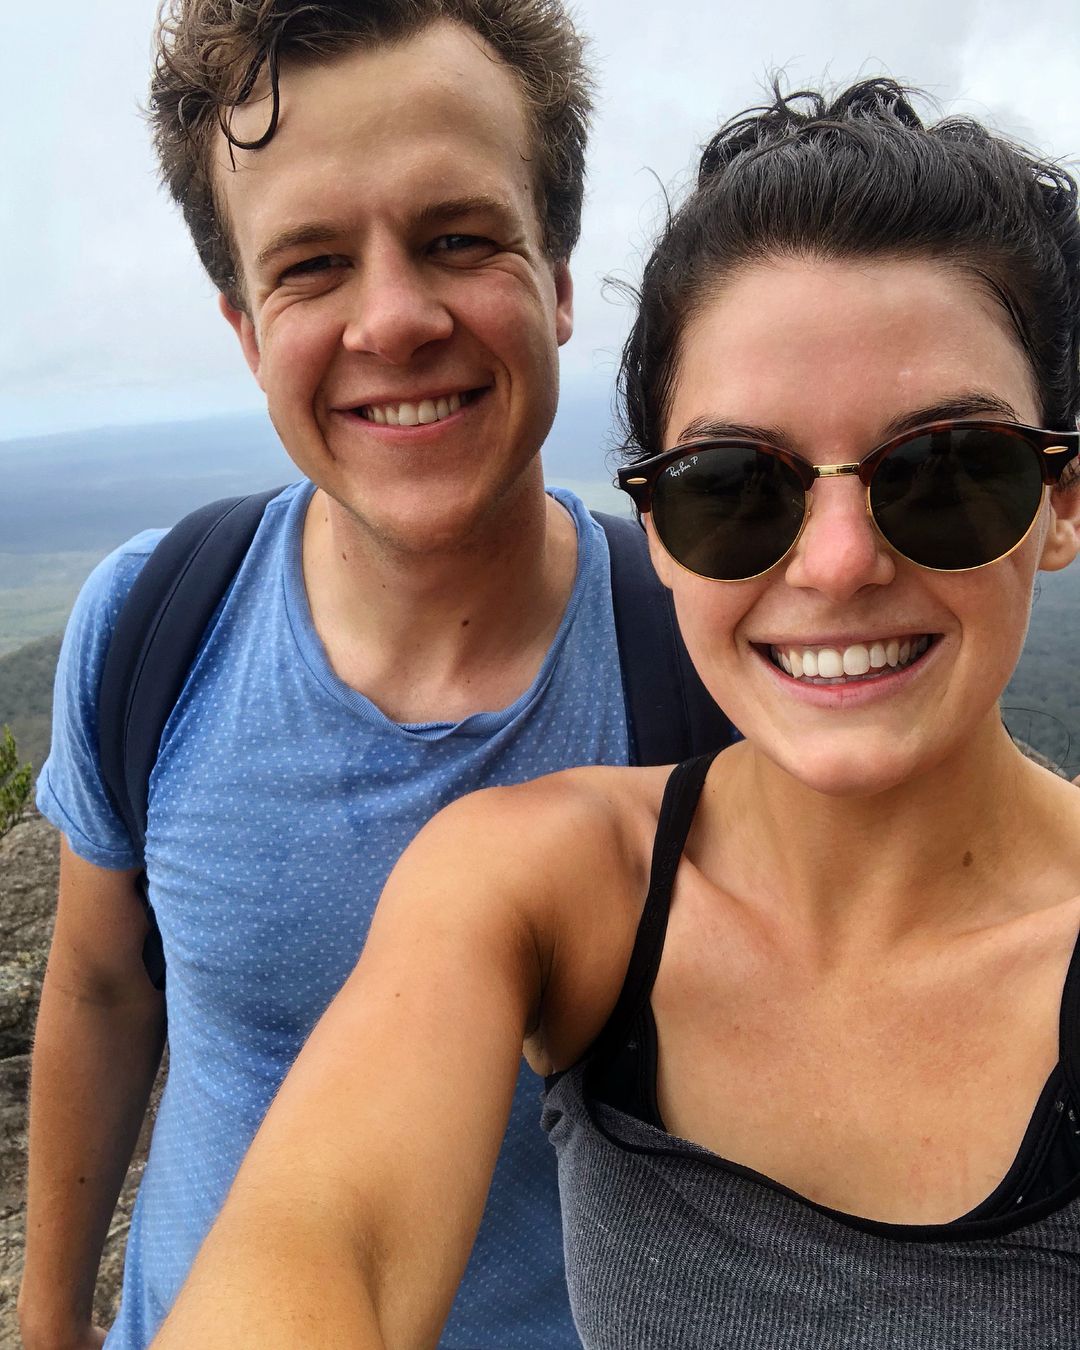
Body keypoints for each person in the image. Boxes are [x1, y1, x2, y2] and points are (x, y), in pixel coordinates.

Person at [148, 79, 1080, 1347]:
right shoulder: (548, 880)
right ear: (658, 529)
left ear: (1059, 501)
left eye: (949, 470)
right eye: (733, 485)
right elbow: (328, 1240)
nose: (837, 563)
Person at [16, 4, 714, 1348]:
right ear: (245, 328)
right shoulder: (152, 627)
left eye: (457, 238)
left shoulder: (696, 666)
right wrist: (49, 1323)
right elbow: (103, 989)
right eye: (313, 265)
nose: (392, 319)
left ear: (560, 281)